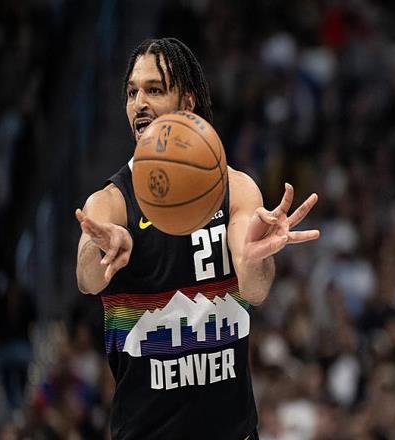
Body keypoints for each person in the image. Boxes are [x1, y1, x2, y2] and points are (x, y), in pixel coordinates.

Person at [75, 37, 319, 440]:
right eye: (132, 93)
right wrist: (103, 252)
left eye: (154, 90)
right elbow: (86, 278)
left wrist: (256, 258)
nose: (139, 103)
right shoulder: (111, 202)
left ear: (187, 103)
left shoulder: (236, 189)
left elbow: (255, 289)